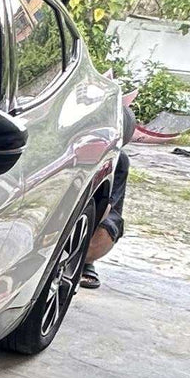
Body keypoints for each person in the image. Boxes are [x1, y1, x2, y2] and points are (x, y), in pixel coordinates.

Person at [80, 104, 133, 289]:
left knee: (107, 222)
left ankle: (84, 261)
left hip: (94, 215)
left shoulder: (119, 160)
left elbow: (107, 207)